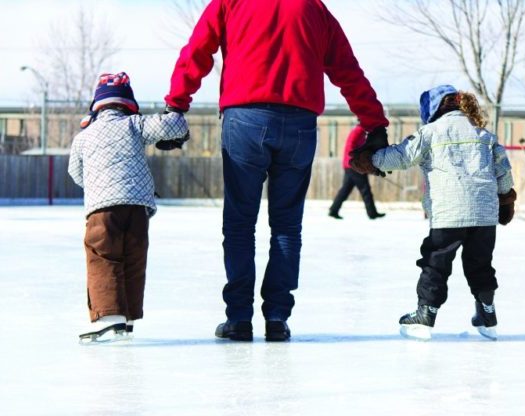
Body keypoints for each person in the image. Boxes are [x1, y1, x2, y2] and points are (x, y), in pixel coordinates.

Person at [165, 0, 389, 341]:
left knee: (240, 224)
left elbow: (198, 50)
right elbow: (347, 71)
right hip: (299, 125)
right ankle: (277, 318)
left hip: (245, 120)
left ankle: (239, 318)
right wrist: (374, 122)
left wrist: (177, 104)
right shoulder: (314, 8)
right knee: (287, 226)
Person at [352, 85, 516, 341]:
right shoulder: (484, 135)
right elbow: (503, 171)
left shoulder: (430, 133)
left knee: (436, 263)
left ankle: (425, 314)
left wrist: (370, 160)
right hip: (485, 215)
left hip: (449, 213)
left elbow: (401, 156)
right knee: (480, 264)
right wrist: (505, 200)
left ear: (432, 109)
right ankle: (487, 313)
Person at [68, 72, 189, 343]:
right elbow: (174, 126)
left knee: (103, 256)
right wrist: (174, 110)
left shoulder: (84, 137)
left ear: (97, 105)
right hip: (137, 208)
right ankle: (129, 317)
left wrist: (97, 184)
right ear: (128, 103)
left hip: (102, 210)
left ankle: (110, 318)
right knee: (133, 258)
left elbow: (75, 173)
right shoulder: (135, 124)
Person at [329, 125, 385, 220]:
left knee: (345, 190)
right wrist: (358, 162)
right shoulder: (359, 131)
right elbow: (350, 146)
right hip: (354, 166)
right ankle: (372, 213)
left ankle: (333, 210)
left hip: (351, 165)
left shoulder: (362, 133)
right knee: (365, 189)